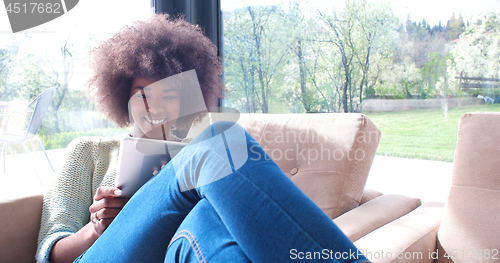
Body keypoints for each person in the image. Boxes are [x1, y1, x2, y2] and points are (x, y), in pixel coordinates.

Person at [36, 14, 369, 263]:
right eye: (143, 94)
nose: (156, 107)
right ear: (122, 95)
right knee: (217, 139)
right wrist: (96, 228)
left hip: (180, 251)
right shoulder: (89, 152)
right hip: (103, 255)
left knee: (208, 222)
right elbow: (50, 252)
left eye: (169, 94)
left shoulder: (199, 162)